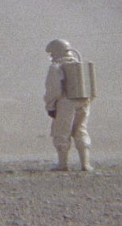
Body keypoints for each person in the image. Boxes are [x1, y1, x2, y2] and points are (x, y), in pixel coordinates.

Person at [43, 38, 94, 171]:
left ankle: (63, 164)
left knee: (61, 133)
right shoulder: (80, 65)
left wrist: (50, 106)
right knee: (81, 131)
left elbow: (54, 90)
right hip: (84, 101)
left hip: (65, 103)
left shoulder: (56, 68)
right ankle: (85, 164)